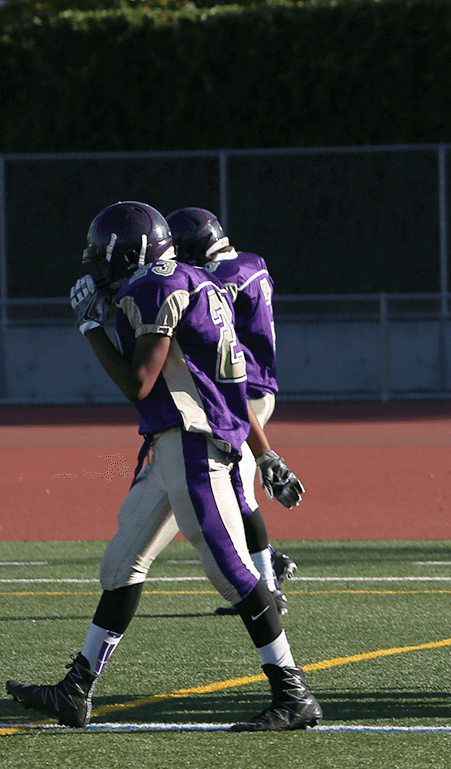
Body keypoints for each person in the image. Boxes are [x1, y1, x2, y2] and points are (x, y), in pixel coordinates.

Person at [6, 202, 320, 732]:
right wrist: (264, 451)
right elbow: (228, 383)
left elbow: (139, 383)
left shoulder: (156, 285)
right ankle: (75, 691)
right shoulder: (196, 280)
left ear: (130, 252)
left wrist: (91, 327)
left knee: (229, 570)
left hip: (194, 441)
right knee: (121, 562)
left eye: (101, 254)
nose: (94, 264)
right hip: (175, 440)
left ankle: (293, 692)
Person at [167, 207, 294, 617]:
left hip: (241, 392)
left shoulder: (221, 276)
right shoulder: (251, 263)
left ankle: (268, 583)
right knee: (235, 490)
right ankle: (266, 564)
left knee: (239, 491)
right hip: (254, 385)